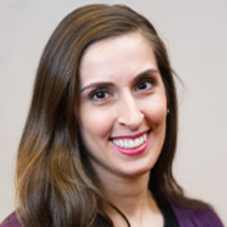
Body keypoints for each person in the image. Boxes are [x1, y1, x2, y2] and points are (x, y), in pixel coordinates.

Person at [0, 4, 224, 227]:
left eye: (144, 84)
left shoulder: (205, 221)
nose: (133, 117)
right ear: (65, 115)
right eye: (100, 94)